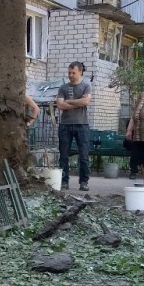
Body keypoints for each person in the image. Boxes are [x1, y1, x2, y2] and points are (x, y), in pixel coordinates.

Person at [56, 62, 92, 191]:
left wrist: (69, 101)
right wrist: (78, 102)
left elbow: (86, 101)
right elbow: (60, 105)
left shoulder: (86, 86)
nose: (70, 75)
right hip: (65, 125)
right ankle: (64, 181)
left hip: (82, 125)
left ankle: (84, 182)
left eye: (73, 73)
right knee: (63, 155)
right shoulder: (63, 88)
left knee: (84, 155)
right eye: (69, 73)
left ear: (80, 72)